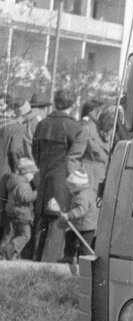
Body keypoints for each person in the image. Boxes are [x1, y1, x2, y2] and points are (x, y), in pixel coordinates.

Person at [30, 89, 85, 262]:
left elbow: (35, 152)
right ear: (73, 104)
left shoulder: (42, 123)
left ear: (55, 102)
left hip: (44, 176)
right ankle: (48, 265)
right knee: (57, 223)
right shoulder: (75, 127)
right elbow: (74, 159)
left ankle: (37, 261)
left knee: (42, 221)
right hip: (63, 180)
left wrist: (43, 168)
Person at [57, 168, 98, 272]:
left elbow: (81, 210)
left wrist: (68, 215)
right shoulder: (89, 192)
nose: (69, 189)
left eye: (70, 187)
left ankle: (82, 264)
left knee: (83, 246)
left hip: (84, 225)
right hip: (87, 224)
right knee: (70, 237)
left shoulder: (81, 197)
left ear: (76, 186)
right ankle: (70, 258)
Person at [0, 156, 38, 260]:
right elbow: (25, 197)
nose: (33, 176)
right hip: (22, 214)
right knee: (26, 236)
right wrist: (37, 193)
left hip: (14, 213)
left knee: (12, 234)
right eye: (32, 173)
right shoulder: (23, 184)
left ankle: (9, 254)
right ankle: (9, 249)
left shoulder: (14, 182)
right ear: (26, 173)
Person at [77, 98, 109, 195]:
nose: (102, 114)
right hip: (89, 179)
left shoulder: (103, 129)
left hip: (99, 178)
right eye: (99, 111)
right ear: (91, 112)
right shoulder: (85, 127)